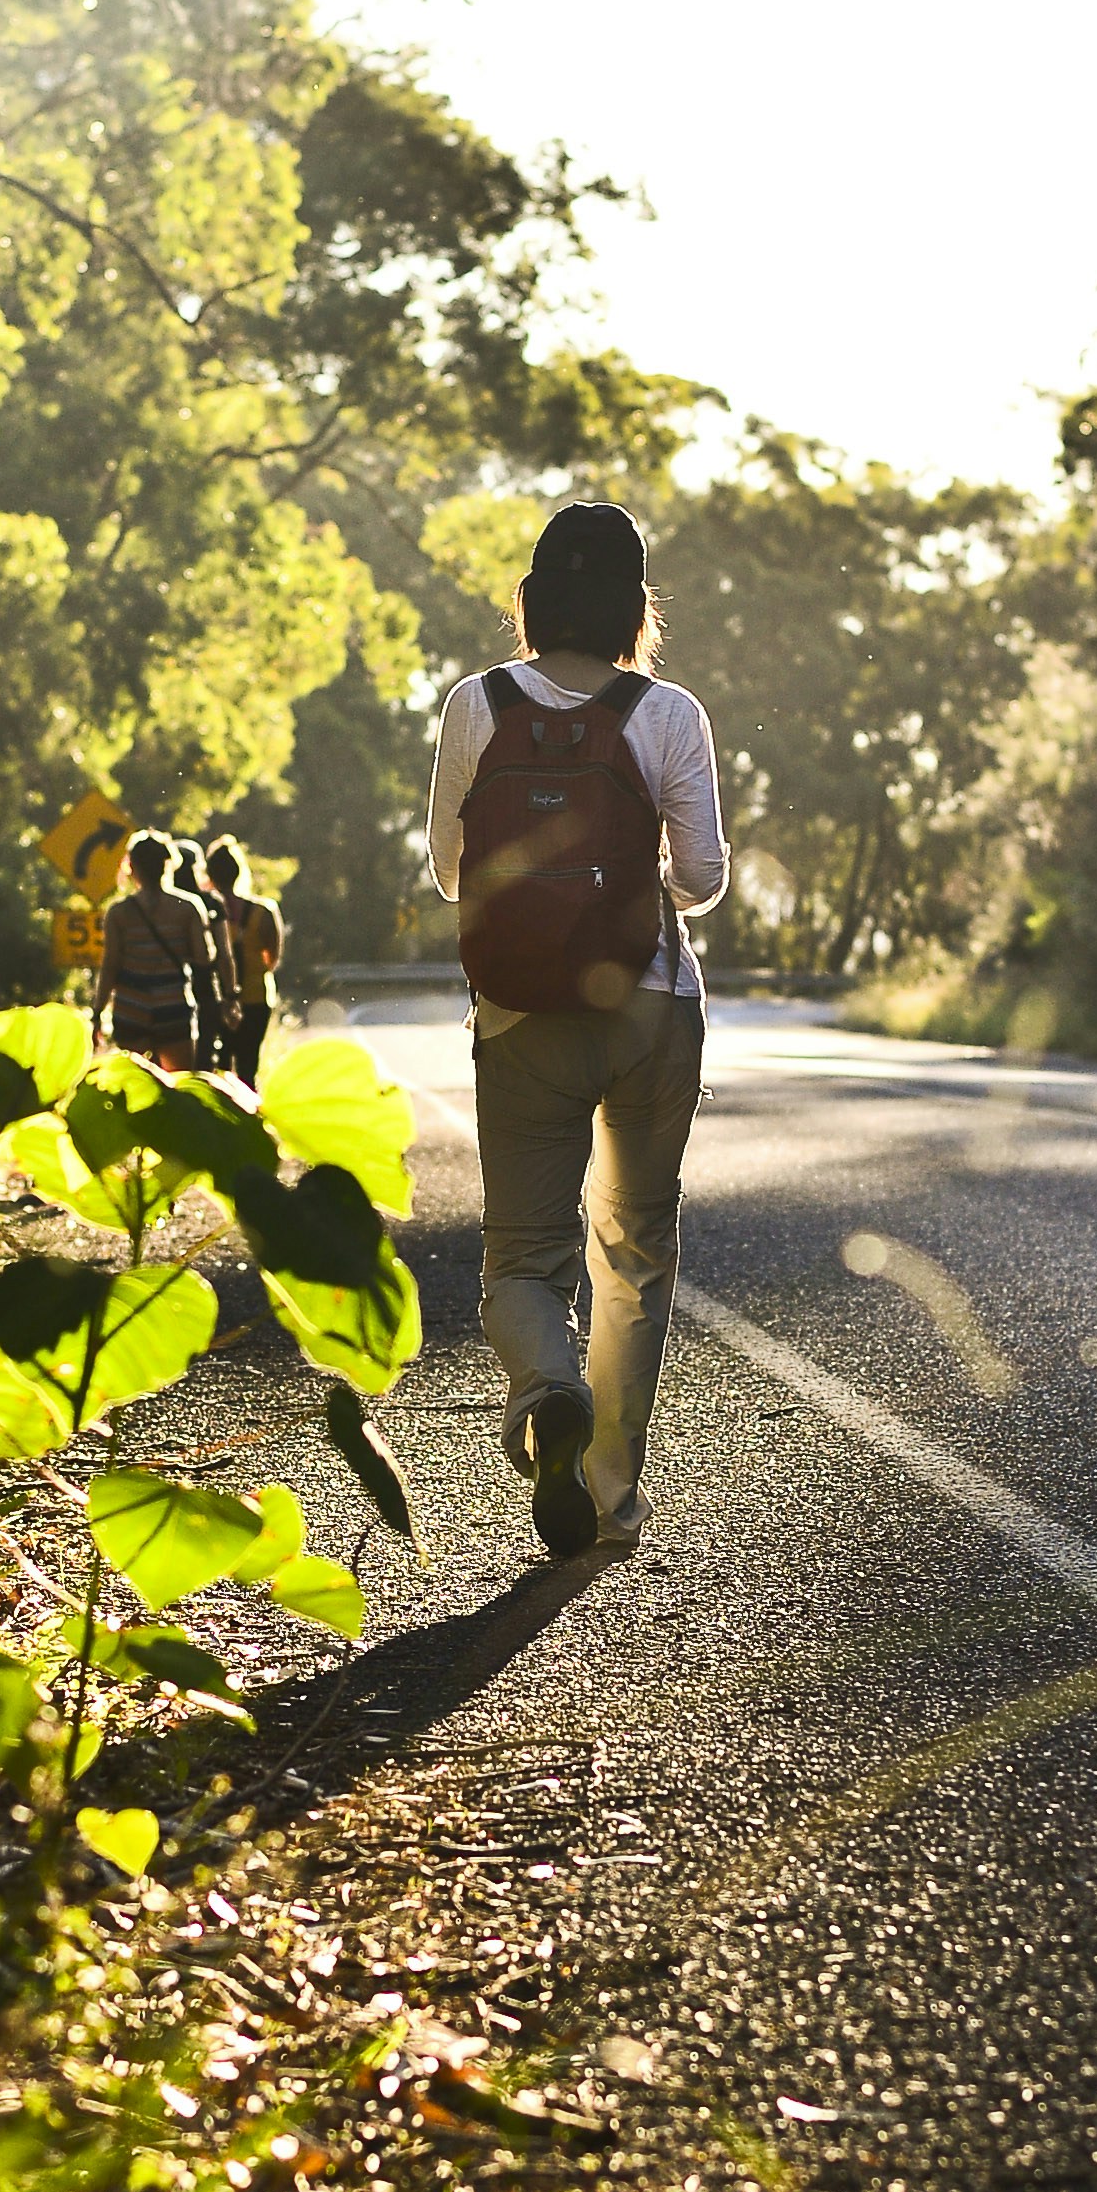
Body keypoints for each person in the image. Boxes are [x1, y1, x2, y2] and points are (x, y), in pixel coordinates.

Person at [426, 496, 726, 1564]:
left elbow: (450, 869)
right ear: (637, 608)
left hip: (518, 1016)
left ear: (533, 600)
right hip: (649, 1009)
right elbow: (702, 877)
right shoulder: (669, 712)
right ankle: (609, 1490)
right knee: (635, 1251)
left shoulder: (477, 702)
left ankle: (547, 1387)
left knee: (523, 1257)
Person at [92, 826, 222, 1071]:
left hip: (130, 1007)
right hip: (173, 1006)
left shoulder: (119, 913)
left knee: (134, 1086)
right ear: (168, 864)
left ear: (132, 867)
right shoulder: (189, 907)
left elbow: (110, 966)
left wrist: (97, 1012)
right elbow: (203, 958)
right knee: (178, 1085)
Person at [196, 834, 283, 1084]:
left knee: (218, 1071)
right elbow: (272, 959)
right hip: (256, 998)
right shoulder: (264, 912)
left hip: (217, 999)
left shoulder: (203, 911)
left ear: (209, 874)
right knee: (247, 1069)